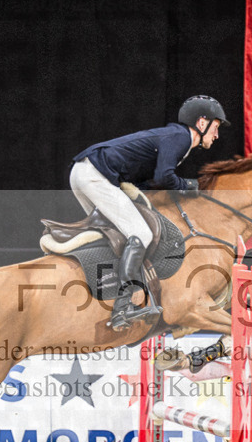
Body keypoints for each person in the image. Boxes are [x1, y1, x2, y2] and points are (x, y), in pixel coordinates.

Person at [69, 95, 229, 330]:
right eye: (215, 127)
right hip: (94, 175)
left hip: (85, 172)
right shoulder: (180, 137)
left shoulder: (176, 139)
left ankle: (105, 292)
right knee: (141, 234)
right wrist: (190, 186)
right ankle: (124, 307)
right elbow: (165, 178)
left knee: (121, 236)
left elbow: (151, 182)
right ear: (202, 123)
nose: (217, 135)